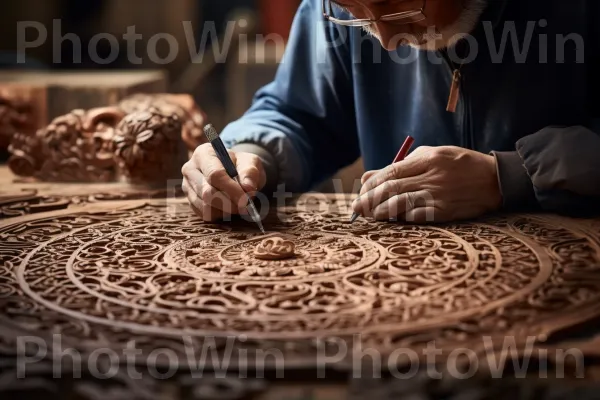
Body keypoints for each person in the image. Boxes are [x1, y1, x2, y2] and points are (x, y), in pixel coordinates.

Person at [182, 0, 600, 223]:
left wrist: (509, 176)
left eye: (393, 4)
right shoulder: (337, 9)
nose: (385, 40)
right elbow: (299, 113)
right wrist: (250, 154)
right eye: (354, 14)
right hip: (403, 296)